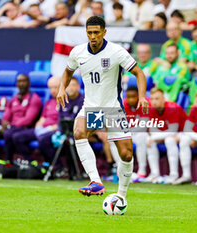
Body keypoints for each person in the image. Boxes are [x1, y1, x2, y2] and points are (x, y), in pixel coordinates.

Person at [56, 16, 149, 197]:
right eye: (89, 32)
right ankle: (96, 182)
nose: (93, 36)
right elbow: (68, 71)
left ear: (104, 32)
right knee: (79, 132)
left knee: (127, 154)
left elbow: (139, 73)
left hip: (113, 109)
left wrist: (142, 96)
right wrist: (61, 89)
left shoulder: (116, 52)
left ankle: (121, 195)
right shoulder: (78, 52)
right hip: (92, 108)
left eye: (96, 32)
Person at [38, 77, 84, 179]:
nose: (71, 88)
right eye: (68, 86)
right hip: (63, 131)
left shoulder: (83, 100)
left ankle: (74, 172)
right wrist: (59, 132)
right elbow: (60, 118)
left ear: (78, 87)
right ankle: (58, 167)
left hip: (78, 132)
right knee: (42, 139)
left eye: (73, 85)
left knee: (69, 142)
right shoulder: (63, 99)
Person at [143, 88, 187, 184]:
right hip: (166, 134)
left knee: (169, 140)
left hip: (185, 133)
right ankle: (154, 174)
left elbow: (173, 131)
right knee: (148, 140)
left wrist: (154, 137)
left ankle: (174, 175)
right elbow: (151, 130)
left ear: (164, 98)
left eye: (157, 98)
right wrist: (153, 137)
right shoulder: (151, 110)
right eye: (152, 99)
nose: (154, 102)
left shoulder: (172, 107)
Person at [0, 74, 42, 162]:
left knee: (14, 135)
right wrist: (4, 122)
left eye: (24, 81)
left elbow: (28, 120)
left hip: (28, 129)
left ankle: (29, 162)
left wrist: (11, 126)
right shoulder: (13, 99)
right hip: (13, 128)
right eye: (19, 81)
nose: (22, 84)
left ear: (29, 83)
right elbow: (6, 116)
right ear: (16, 84)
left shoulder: (34, 99)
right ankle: (8, 162)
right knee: (6, 133)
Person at [123, 86, 150, 182]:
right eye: (128, 97)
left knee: (142, 138)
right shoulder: (123, 104)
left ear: (138, 96)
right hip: (130, 132)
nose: (130, 99)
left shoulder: (144, 103)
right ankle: (121, 170)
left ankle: (141, 171)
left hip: (143, 133)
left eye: (133, 96)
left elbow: (144, 126)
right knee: (113, 139)